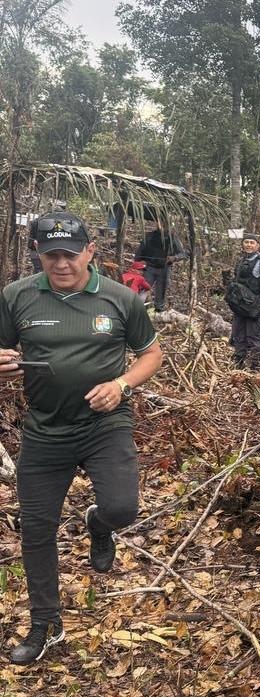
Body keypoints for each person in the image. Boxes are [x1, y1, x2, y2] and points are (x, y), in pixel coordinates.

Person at [0, 211, 163, 665]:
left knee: (122, 508)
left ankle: (99, 524)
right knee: (36, 529)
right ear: (38, 253)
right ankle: (46, 625)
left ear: (90, 251)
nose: (62, 264)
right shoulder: (17, 298)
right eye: (51, 255)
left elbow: (151, 354)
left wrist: (122, 385)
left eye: (70, 254)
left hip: (103, 425)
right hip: (45, 429)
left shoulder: (118, 299)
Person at [225, 233, 260, 368]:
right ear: (243, 244)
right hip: (239, 305)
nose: (248, 245)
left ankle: (254, 366)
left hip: (253, 306)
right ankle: (238, 364)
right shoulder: (241, 261)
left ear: (258, 245)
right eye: (246, 242)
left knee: (253, 337)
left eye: (252, 242)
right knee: (238, 334)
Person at [134, 218, 186, 311]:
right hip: (149, 268)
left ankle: (159, 311)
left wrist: (173, 258)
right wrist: (138, 263)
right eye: (158, 222)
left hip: (164, 269)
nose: (159, 225)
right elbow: (140, 251)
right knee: (143, 289)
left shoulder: (172, 237)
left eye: (162, 223)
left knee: (161, 293)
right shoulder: (150, 236)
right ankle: (137, 309)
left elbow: (182, 253)